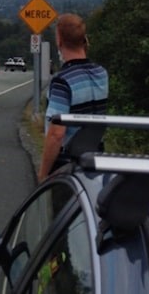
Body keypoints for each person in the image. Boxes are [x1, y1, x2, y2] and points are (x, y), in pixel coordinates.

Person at [38, 14, 108, 181]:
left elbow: (56, 134)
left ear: (59, 41)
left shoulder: (62, 80)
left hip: (67, 164)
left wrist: (43, 174)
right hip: (95, 159)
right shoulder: (101, 73)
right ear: (83, 39)